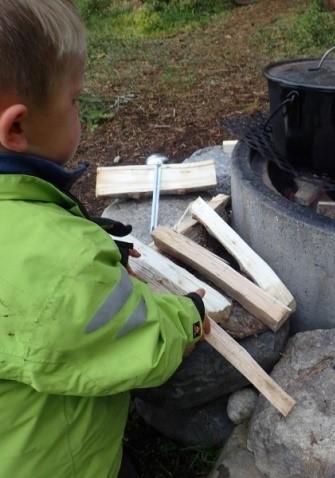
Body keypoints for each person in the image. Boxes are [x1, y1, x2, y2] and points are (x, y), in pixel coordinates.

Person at [0, 1, 209, 477]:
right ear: (16, 126)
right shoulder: (63, 265)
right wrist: (189, 316)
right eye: (74, 100)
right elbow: (144, 340)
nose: (81, 111)